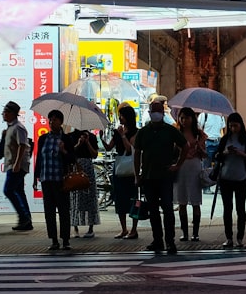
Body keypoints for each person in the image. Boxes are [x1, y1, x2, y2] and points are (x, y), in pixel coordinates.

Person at [133, 100, 186, 254]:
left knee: (168, 209)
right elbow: (137, 153)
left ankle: (170, 241)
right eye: (153, 111)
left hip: (165, 176)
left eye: (158, 111)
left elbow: (185, 146)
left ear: (162, 113)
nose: (155, 114)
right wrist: (137, 175)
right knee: (153, 211)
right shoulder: (143, 132)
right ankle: (158, 240)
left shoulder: (170, 130)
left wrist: (177, 165)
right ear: (150, 113)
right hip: (148, 177)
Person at [33, 110, 74, 251]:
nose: (51, 122)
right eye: (50, 119)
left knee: (63, 210)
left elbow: (72, 159)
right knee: (49, 211)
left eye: (55, 120)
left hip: (60, 179)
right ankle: (54, 240)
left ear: (61, 122)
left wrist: (64, 151)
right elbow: (39, 159)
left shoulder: (66, 139)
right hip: (46, 179)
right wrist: (35, 177)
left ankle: (66, 240)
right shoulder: (43, 138)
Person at [213, 112, 246, 248]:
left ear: (241, 125)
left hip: (241, 177)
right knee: (227, 208)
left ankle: (240, 238)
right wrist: (225, 153)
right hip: (226, 177)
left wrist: (240, 154)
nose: (233, 129)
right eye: (230, 126)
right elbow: (217, 156)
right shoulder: (225, 139)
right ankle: (229, 237)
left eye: (235, 126)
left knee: (240, 208)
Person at [103, 103, 139, 240]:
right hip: (119, 169)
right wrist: (102, 138)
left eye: (122, 116)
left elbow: (130, 150)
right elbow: (109, 147)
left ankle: (134, 230)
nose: (120, 119)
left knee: (133, 200)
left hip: (131, 170)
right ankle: (124, 229)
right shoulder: (117, 132)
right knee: (120, 200)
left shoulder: (136, 132)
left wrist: (123, 136)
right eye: (120, 116)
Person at [172, 107, 207, 242]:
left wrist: (199, 147)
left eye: (186, 117)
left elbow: (204, 155)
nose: (184, 120)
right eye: (181, 117)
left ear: (192, 118)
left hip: (194, 167)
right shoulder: (176, 133)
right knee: (182, 201)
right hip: (181, 168)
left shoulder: (199, 134)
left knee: (195, 201)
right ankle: (185, 232)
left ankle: (195, 233)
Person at [0, 101, 33, 231]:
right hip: (12, 164)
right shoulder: (10, 128)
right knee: (19, 191)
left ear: (13, 113)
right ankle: (26, 220)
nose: (4, 114)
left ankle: (23, 217)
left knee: (8, 190)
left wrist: (17, 163)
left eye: (6, 112)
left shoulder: (18, 127)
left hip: (17, 165)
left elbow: (22, 145)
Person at [67, 122, 100, 238]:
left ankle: (91, 227)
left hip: (88, 166)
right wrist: (78, 144)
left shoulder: (91, 137)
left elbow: (95, 154)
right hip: (75, 166)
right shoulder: (70, 136)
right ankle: (74, 227)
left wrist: (87, 142)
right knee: (74, 197)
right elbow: (69, 153)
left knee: (90, 196)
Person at [201, 112, 225, 195]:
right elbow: (199, 128)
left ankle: (219, 187)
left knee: (219, 166)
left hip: (218, 141)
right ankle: (206, 187)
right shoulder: (204, 115)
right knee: (206, 166)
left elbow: (222, 129)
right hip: (208, 142)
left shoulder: (220, 116)